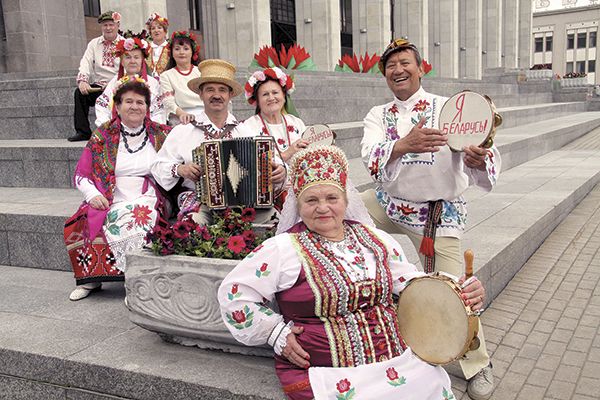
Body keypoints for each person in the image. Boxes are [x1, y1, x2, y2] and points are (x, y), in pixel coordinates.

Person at [218, 145, 487, 400]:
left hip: (397, 360)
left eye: (331, 197)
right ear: (298, 206)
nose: (322, 207)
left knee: (431, 380)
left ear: (346, 200)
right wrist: (276, 334)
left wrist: (457, 287)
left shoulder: (374, 238)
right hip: (329, 372)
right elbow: (234, 293)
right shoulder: (282, 249)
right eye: (311, 199)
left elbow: (409, 281)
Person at [360, 38, 500, 400]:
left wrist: (478, 160)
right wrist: (403, 144)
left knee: (456, 288)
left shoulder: (448, 109)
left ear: (420, 68)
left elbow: (488, 149)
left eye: (405, 63)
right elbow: (369, 156)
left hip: (436, 214)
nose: (398, 70)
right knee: (345, 210)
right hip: (388, 204)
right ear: (385, 75)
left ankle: (479, 364)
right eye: (390, 66)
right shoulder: (378, 114)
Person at [64, 77, 171, 301]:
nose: (134, 106)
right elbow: (81, 174)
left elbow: (176, 162)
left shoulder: (161, 134)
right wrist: (93, 195)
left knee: (139, 219)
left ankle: (136, 282)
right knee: (91, 219)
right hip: (110, 194)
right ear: (118, 106)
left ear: (147, 107)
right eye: (128, 101)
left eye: (140, 102)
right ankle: (91, 278)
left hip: (147, 195)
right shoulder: (103, 135)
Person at [151, 59, 286, 224]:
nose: (216, 95)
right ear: (200, 94)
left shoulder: (247, 130)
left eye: (222, 90)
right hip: (199, 203)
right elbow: (157, 167)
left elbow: (274, 163)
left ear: (230, 95)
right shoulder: (183, 131)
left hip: (243, 203)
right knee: (192, 224)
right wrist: (180, 169)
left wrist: (280, 171)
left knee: (275, 220)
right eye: (210, 90)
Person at [69, 11, 123, 142]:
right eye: (105, 25)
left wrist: (116, 84)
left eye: (111, 24)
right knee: (79, 94)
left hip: (119, 86)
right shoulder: (94, 43)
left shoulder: (125, 44)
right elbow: (85, 61)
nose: (108, 28)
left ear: (118, 25)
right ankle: (83, 132)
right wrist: (83, 80)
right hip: (99, 87)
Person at [95, 33, 166, 127]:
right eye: (128, 57)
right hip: (119, 131)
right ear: (122, 61)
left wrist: (148, 128)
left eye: (136, 57)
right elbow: (102, 106)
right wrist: (108, 127)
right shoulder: (114, 82)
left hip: (146, 131)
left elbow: (159, 111)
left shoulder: (153, 83)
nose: (132, 61)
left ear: (142, 60)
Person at [240, 67, 308, 162]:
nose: (271, 98)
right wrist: (287, 154)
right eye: (265, 94)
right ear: (257, 101)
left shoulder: (296, 122)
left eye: (275, 92)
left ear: (284, 96)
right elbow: (250, 163)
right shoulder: (248, 127)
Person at [159, 31, 203, 125]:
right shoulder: (166, 76)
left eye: (186, 49)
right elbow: (168, 101)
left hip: (205, 114)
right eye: (177, 49)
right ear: (172, 53)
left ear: (193, 52)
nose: (181, 52)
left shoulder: (201, 72)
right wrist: (182, 114)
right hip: (180, 117)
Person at [145, 12, 170, 78]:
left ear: (165, 31)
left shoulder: (171, 48)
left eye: (159, 27)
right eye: (153, 28)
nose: (156, 30)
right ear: (150, 33)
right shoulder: (146, 48)